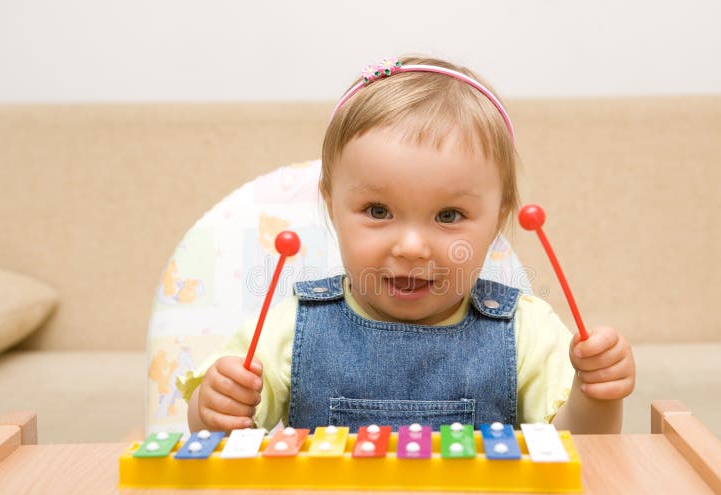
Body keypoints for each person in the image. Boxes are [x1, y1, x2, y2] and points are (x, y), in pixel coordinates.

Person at [178, 55, 635, 435]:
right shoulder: (289, 329)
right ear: (331, 206)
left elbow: (582, 450)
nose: (413, 247)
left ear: (498, 219)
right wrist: (213, 408)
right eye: (378, 212)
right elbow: (215, 440)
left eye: (448, 216)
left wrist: (595, 395)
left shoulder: (526, 332)